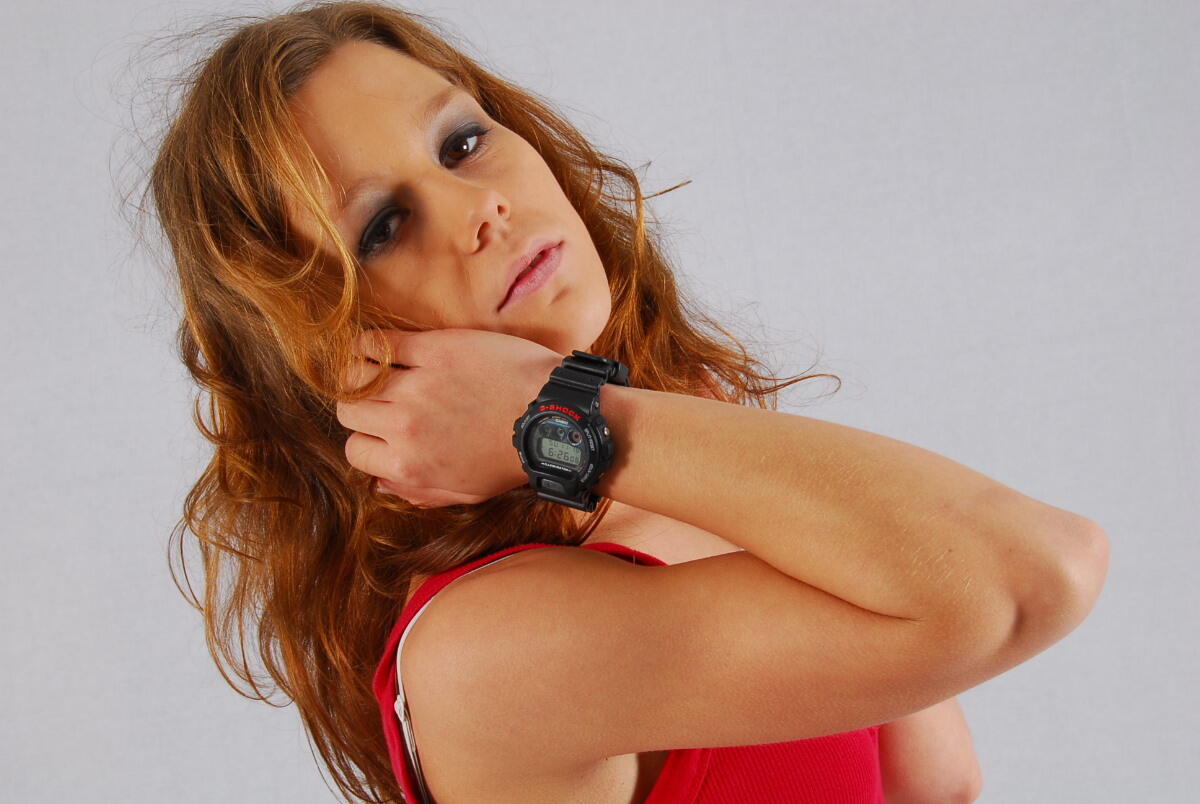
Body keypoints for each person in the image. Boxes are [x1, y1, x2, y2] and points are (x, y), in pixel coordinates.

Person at [143, 2, 1109, 802]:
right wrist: (574, 423)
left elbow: (932, 781)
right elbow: (1035, 573)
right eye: (385, 226)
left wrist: (615, 422)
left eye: (463, 142)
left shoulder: (664, 443)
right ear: (319, 348)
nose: (478, 209)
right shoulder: (485, 653)